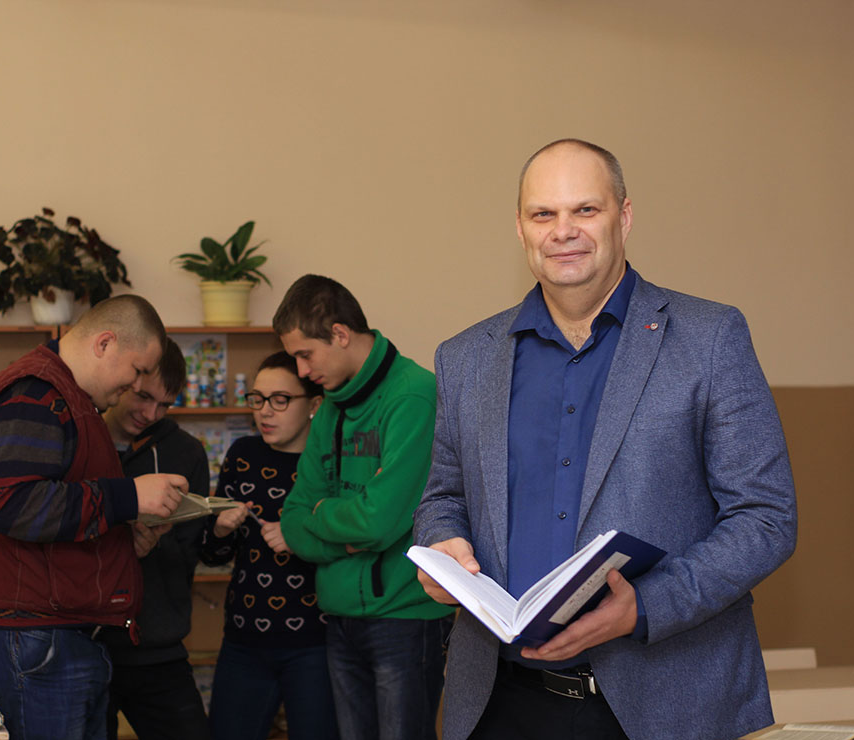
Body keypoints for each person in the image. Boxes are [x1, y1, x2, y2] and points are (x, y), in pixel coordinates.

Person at [412, 139, 798, 740]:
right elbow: (443, 496)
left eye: (585, 210)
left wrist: (645, 606)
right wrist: (442, 545)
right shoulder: (465, 359)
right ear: (520, 228)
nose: (563, 231)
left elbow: (766, 517)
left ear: (624, 216)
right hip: (499, 704)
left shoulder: (710, 339)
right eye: (544, 214)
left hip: (665, 704)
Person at [0, 295, 187, 740]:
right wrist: (129, 497)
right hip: (30, 637)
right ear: (105, 343)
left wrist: (121, 537)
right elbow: (13, 504)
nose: (135, 386)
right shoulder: (36, 392)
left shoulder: (70, 398)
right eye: (137, 370)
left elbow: (57, 506)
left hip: (48, 635)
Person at [271, 275, 455, 740]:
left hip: (404, 617)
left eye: (305, 354)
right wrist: (342, 534)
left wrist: (322, 516)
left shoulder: (414, 394)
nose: (301, 371)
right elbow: (293, 519)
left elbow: (377, 522)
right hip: (339, 615)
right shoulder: (332, 405)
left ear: (339, 333)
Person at [200, 350, 336, 740]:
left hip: (316, 641)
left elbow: (352, 544)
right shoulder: (242, 454)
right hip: (244, 639)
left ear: (314, 405)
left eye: (280, 399)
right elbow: (213, 555)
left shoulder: (331, 462)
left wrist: (299, 537)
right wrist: (221, 529)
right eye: (257, 399)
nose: (265, 411)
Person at [100, 338, 212, 740]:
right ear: (121, 379)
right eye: (144, 397)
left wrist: (153, 542)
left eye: (165, 405)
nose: (151, 414)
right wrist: (119, 542)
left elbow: (189, 551)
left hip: (158, 646)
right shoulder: (80, 442)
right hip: (84, 646)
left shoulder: (186, 452)